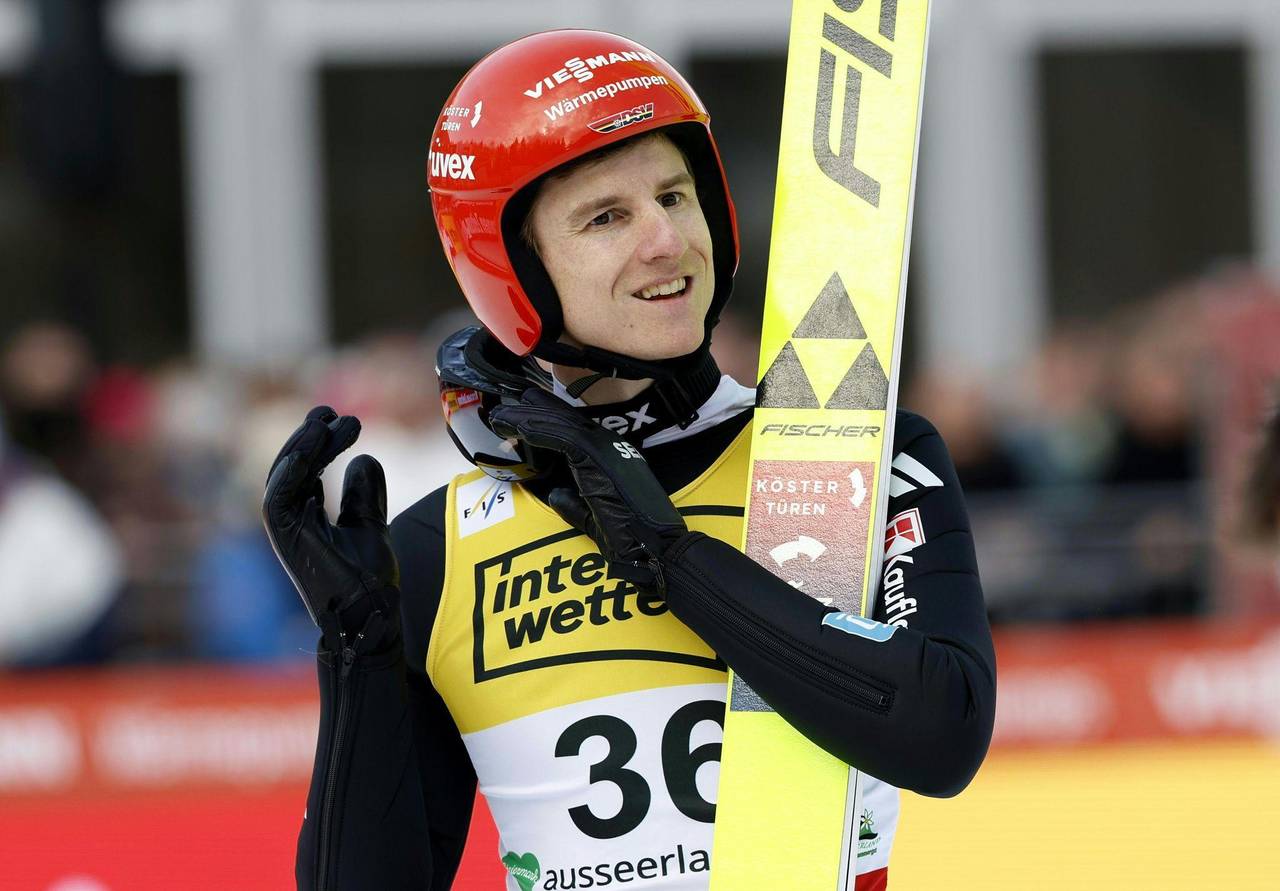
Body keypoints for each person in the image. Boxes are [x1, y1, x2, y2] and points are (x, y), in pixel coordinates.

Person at [263, 30, 996, 891]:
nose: (666, 240)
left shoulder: (856, 455)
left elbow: (941, 731)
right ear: (510, 266)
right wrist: (359, 658)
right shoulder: (440, 548)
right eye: (606, 217)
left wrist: (671, 558)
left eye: (675, 196)